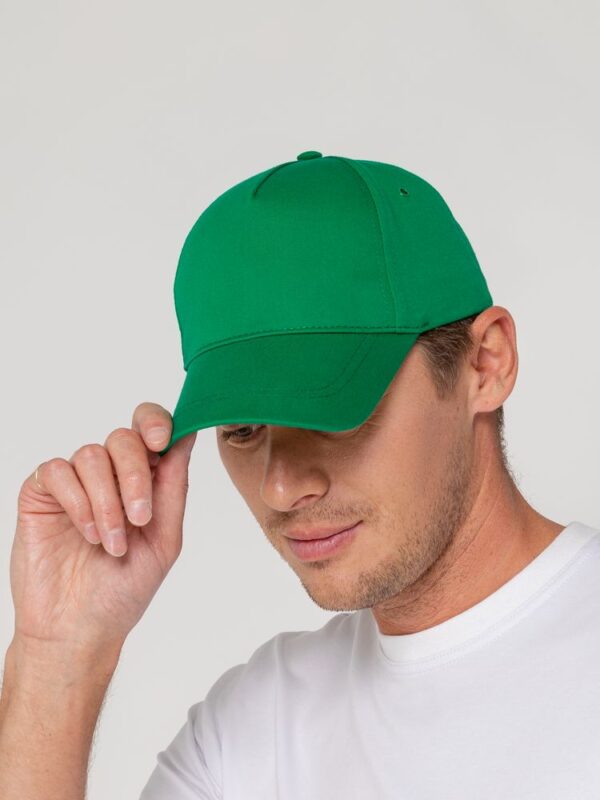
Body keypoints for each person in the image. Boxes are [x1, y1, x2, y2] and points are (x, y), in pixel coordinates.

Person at [1, 152, 599, 799]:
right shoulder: (253, 730)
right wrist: (58, 654)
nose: (279, 489)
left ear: (485, 364)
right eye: (242, 429)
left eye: (332, 412)